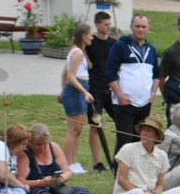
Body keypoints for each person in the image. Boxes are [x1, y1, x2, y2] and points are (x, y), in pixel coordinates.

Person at [106, 13, 159, 154]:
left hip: (144, 104)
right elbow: (110, 72)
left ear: (148, 28)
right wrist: (119, 95)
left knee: (140, 142)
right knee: (125, 141)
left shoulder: (151, 50)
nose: (140, 30)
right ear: (131, 27)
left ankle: (134, 175)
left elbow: (156, 75)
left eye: (143, 27)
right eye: (137, 26)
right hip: (125, 104)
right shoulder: (120, 46)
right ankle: (119, 174)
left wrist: (152, 94)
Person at [110, 116, 180, 194]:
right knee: (138, 193)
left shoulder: (161, 155)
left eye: (149, 131)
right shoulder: (128, 149)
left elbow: (159, 184)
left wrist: (157, 193)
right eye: (143, 130)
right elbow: (121, 179)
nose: (145, 133)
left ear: (156, 136)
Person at [17, 124, 91, 194]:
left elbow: (67, 171)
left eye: (45, 144)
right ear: (30, 142)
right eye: (38, 144)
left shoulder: (53, 147)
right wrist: (41, 183)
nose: (42, 147)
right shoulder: (25, 154)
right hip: (38, 190)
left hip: (57, 189)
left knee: (84, 192)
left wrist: (63, 178)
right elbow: (20, 181)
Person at [85, 11, 117, 171]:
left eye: (109, 24)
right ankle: (97, 162)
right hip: (95, 89)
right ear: (97, 25)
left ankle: (116, 159)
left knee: (120, 121)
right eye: (105, 25)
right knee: (95, 124)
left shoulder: (113, 43)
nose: (108, 27)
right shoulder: (90, 43)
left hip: (111, 89)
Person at [59, 23, 94, 168]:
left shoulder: (79, 51)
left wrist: (62, 91)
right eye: (90, 34)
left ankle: (74, 161)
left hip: (77, 90)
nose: (92, 37)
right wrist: (85, 92)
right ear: (83, 36)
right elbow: (70, 76)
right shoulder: (77, 53)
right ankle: (68, 163)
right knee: (73, 129)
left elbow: (64, 73)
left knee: (78, 129)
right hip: (76, 91)